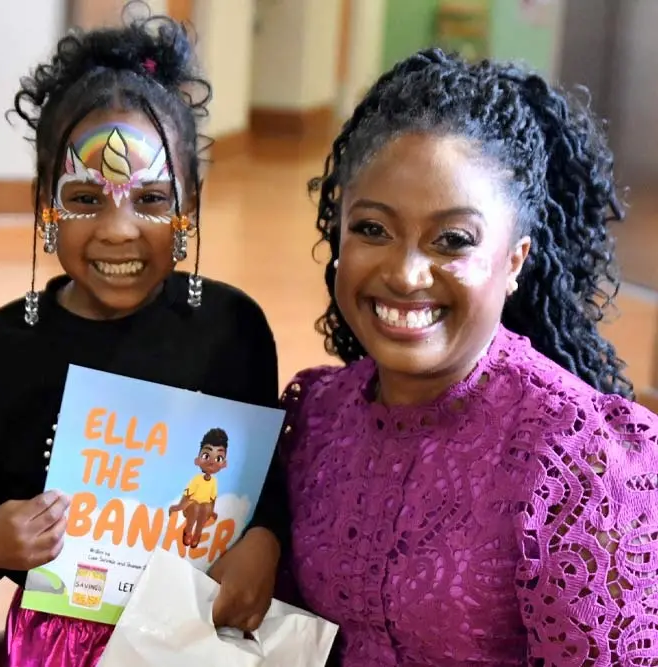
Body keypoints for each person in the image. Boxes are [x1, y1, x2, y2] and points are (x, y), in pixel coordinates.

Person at [236, 47, 658, 665]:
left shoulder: (582, 464)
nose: (406, 274)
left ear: (515, 259)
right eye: (372, 229)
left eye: (452, 240)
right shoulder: (317, 418)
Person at [0, 8, 285, 667]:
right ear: (44, 207)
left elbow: (268, 485)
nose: (118, 230)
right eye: (86, 198)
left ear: (189, 207)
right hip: (54, 646)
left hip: (201, 640)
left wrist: (265, 536)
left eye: (150, 199)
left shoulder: (234, 331)